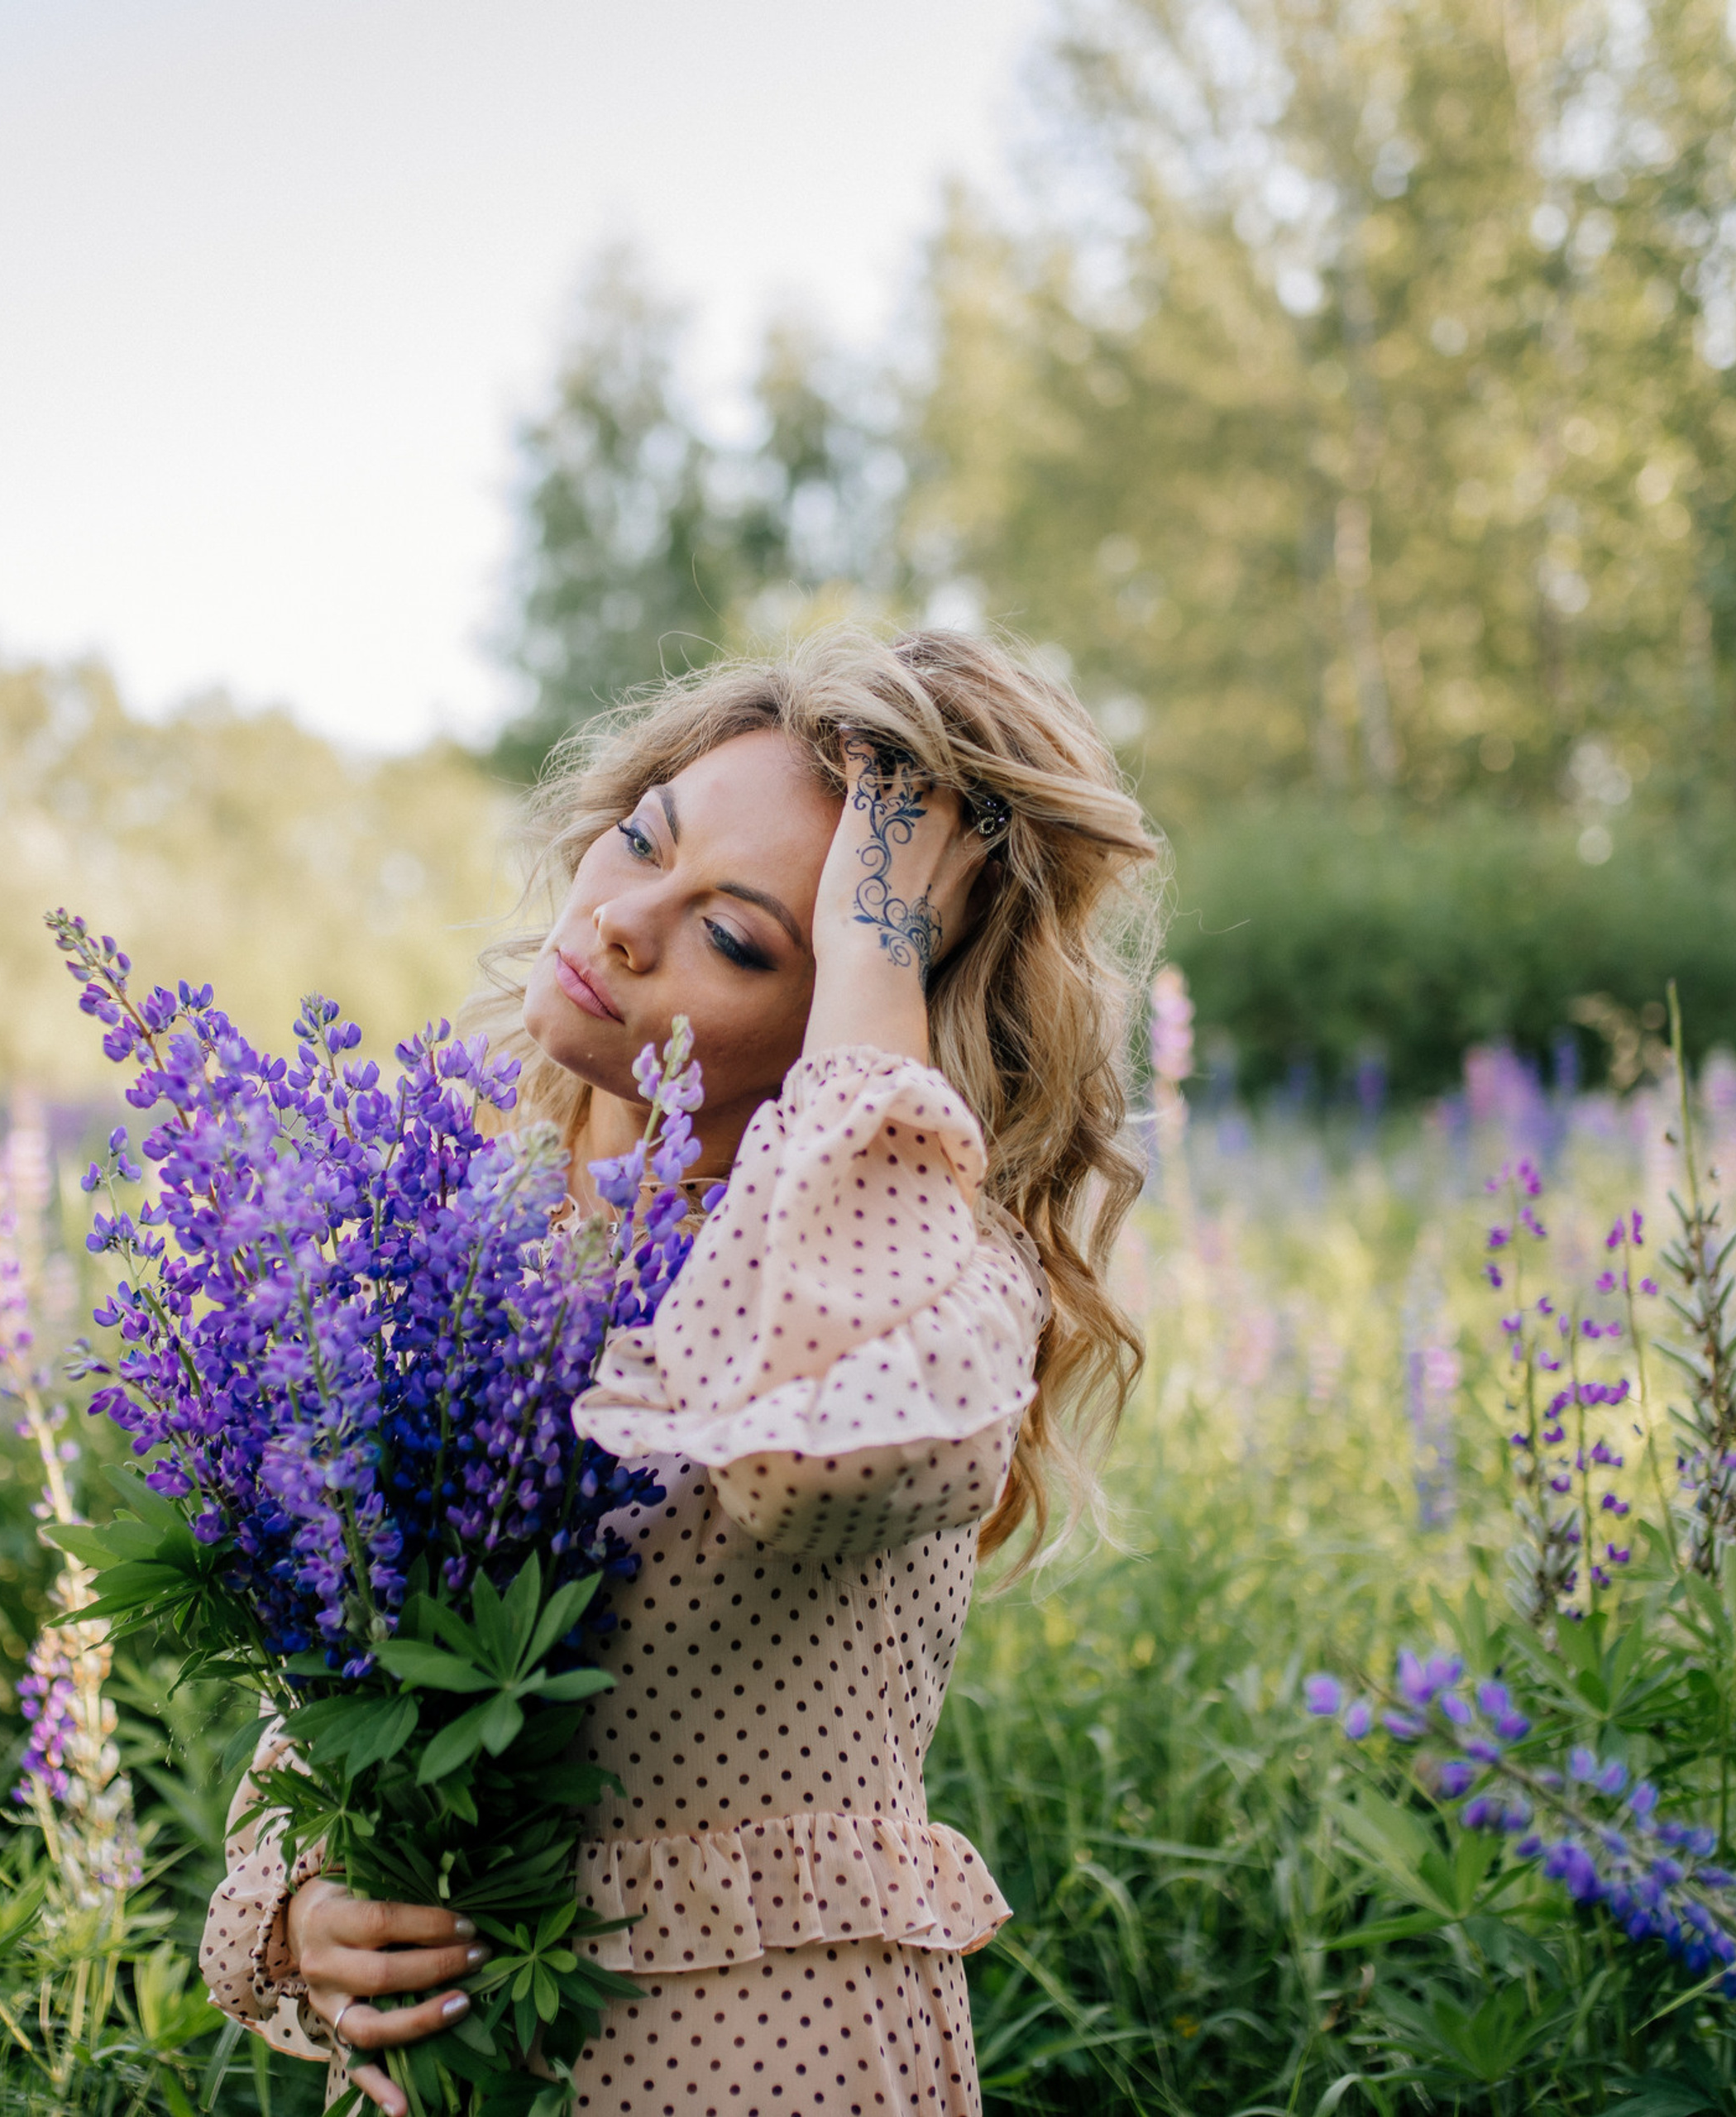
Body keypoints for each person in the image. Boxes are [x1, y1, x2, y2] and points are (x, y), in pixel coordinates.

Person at [200, 627, 1158, 2115]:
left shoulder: (921, 1268)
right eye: (645, 839)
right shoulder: (467, 1246)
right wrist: (304, 1908)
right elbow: (339, 1678)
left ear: (860, 1012)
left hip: (755, 2064)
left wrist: (876, 959)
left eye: (742, 939)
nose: (626, 919)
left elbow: (819, 1456)